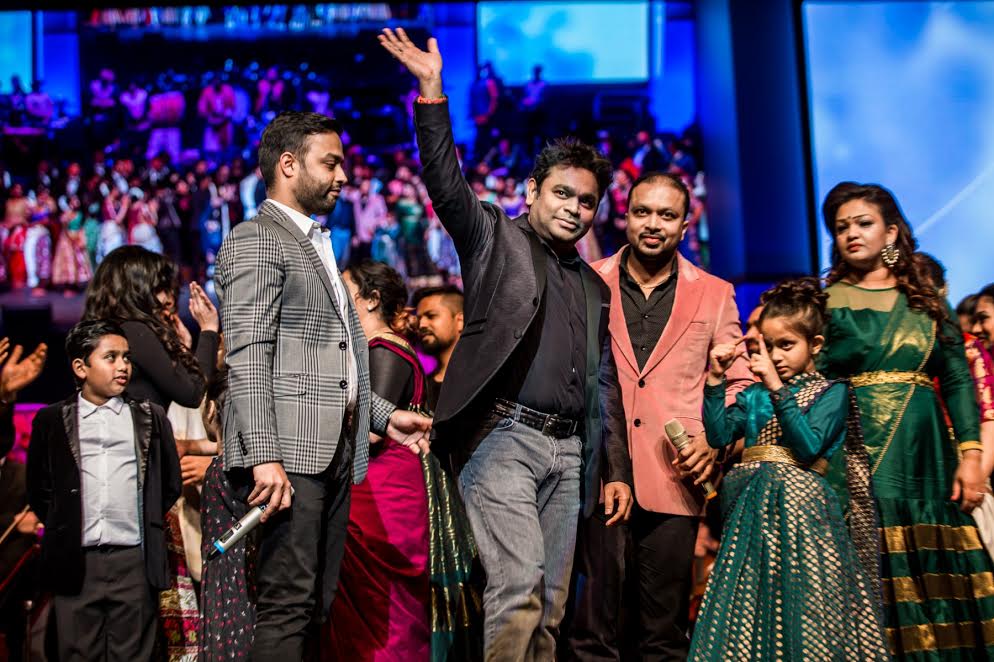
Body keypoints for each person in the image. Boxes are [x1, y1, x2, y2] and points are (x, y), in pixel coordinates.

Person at [380, 29, 632, 661]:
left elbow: (603, 383)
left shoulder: (593, 286)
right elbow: (446, 184)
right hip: (503, 437)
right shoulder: (495, 238)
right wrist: (432, 94)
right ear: (531, 191)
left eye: (587, 202)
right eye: (562, 193)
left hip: (568, 453)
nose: (575, 209)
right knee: (517, 590)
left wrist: (615, 470)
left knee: (549, 607)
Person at [214, 110, 431, 660]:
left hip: (329, 454)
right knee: (288, 606)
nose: (342, 176)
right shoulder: (258, 239)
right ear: (288, 165)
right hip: (287, 457)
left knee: (317, 606)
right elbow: (248, 355)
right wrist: (264, 456)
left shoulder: (314, 242)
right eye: (330, 163)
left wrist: (384, 416)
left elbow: (326, 365)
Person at [568, 172, 752, 661]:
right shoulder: (588, 281)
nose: (653, 224)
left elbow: (741, 383)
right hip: (599, 474)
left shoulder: (713, 293)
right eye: (643, 212)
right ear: (625, 217)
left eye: (667, 215)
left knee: (663, 635)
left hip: (676, 474)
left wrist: (714, 441)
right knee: (593, 633)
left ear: (685, 226)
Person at [817, 182, 994, 658]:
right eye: (841, 227)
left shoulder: (925, 298)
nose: (851, 234)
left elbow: (956, 378)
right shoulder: (827, 302)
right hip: (856, 459)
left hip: (927, 458)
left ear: (891, 232)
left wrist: (971, 455)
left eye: (863, 223)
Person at [688, 279, 889, 660]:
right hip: (751, 516)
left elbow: (808, 446)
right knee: (752, 604)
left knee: (804, 604)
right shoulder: (754, 395)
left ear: (815, 345)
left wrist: (778, 388)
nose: (776, 356)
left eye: (786, 345)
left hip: (803, 518)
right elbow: (717, 435)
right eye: (768, 345)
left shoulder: (832, 392)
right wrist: (715, 379)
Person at [26, 319, 182, 661]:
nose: (123, 366)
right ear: (81, 367)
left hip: (133, 560)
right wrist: (65, 525)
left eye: (126, 357)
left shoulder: (150, 417)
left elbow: (169, 484)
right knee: (77, 651)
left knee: (134, 652)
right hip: (76, 562)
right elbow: (39, 489)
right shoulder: (51, 420)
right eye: (110, 357)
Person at [414, 285, 465, 411]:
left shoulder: (480, 378)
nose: (421, 325)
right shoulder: (422, 387)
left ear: (460, 321)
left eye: (431, 316)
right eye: (419, 319)